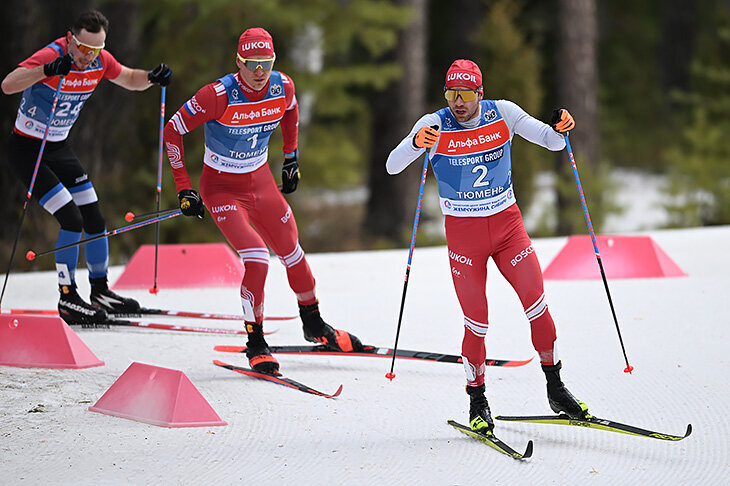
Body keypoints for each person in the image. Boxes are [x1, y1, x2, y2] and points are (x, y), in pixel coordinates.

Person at [386, 59, 588, 433]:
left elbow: (552, 140)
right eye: (451, 94)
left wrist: (563, 127)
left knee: (537, 303)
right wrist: (416, 143)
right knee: (476, 322)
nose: (457, 102)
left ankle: (556, 387)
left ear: (480, 92)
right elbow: (392, 166)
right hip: (465, 237)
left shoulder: (503, 113)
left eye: (465, 94)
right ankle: (477, 402)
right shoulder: (433, 123)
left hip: (508, 228)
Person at [163, 27, 362, 374]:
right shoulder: (217, 95)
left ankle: (314, 324)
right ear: (238, 62)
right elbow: (172, 130)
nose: (259, 71)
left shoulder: (282, 86)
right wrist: (183, 187)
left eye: (266, 62)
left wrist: (290, 158)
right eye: (252, 63)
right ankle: (256, 343)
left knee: (292, 251)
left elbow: (291, 111)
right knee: (257, 258)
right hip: (222, 188)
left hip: (261, 182)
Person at [1, 10, 171, 324]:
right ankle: (68, 298)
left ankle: (100, 291)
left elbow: (130, 78)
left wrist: (151, 77)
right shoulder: (52, 54)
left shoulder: (100, 61)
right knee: (71, 218)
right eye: (82, 48)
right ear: (70, 39)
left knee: (94, 218)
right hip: (28, 150)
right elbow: (9, 84)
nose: (87, 56)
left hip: (58, 147)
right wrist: (47, 70)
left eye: (95, 50)